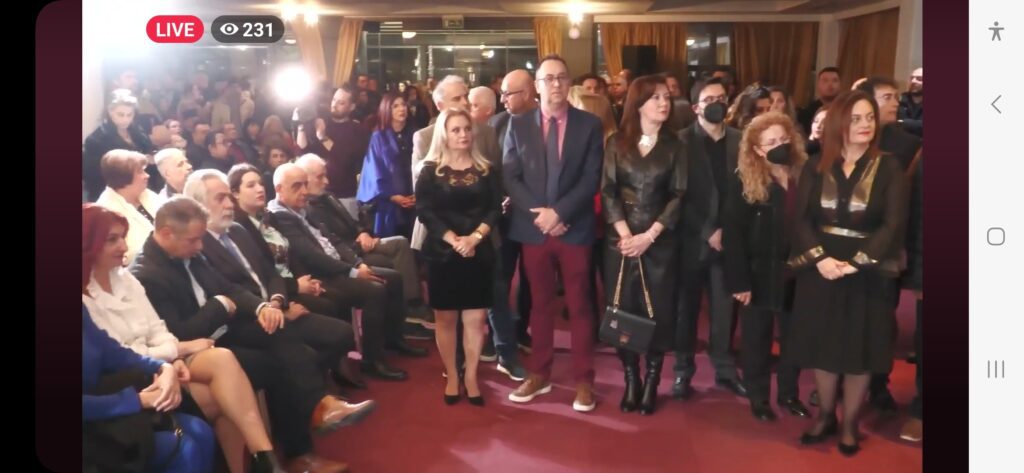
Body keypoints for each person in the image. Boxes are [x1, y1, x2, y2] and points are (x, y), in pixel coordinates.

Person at [82, 204, 277, 472]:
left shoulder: (125, 280)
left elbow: (158, 329)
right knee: (224, 397)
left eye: (122, 237)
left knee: (222, 359)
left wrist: (170, 360)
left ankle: (264, 458)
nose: (123, 246)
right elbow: (119, 355)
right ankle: (262, 462)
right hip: (127, 383)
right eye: (111, 240)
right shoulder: (87, 296)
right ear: (87, 244)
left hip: (156, 364)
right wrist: (174, 354)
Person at [785, 90, 906, 456]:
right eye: (856, 118)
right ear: (839, 123)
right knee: (823, 346)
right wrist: (820, 259)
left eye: (869, 117)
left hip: (867, 271)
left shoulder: (889, 167)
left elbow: (893, 224)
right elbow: (801, 219)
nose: (865, 124)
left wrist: (857, 262)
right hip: (821, 269)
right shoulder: (815, 165)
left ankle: (850, 423)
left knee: (860, 348)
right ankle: (825, 416)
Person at [502, 55, 605, 412]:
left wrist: (560, 213)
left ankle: (584, 380)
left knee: (580, 305)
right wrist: (542, 216)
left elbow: (591, 178)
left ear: (569, 82)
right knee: (539, 305)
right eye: (549, 78)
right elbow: (510, 176)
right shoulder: (517, 125)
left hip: (574, 228)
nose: (556, 84)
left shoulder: (589, 125)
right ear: (537, 86)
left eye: (562, 77)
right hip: (534, 231)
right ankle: (539, 373)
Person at [600, 75, 686, 415]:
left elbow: (679, 195)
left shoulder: (676, 145)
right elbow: (608, 191)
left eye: (666, 97)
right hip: (620, 241)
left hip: (659, 240)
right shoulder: (616, 142)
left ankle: (652, 379)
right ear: (638, 104)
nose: (664, 103)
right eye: (655, 98)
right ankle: (630, 378)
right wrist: (626, 236)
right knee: (623, 309)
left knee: (658, 310)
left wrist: (649, 236)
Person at [723, 112, 812, 422]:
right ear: (758, 149)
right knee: (757, 339)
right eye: (771, 142)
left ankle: (789, 394)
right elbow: (733, 235)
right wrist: (739, 281)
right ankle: (758, 397)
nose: (780, 145)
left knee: (795, 338)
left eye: (784, 139)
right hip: (758, 273)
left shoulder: (805, 174)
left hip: (798, 272)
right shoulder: (744, 180)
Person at [416, 109, 502, 406]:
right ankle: (452, 375)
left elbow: (494, 209)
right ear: (444, 134)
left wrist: (474, 238)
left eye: (466, 128)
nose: (463, 134)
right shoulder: (430, 171)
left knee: (476, 320)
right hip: (442, 252)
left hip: (479, 252)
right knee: (446, 318)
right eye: (456, 129)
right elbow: (425, 211)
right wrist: (454, 240)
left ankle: (472, 376)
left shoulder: (486, 169)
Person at [672, 78, 747, 400]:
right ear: (695, 107)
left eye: (721, 97)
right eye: (709, 99)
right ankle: (682, 371)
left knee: (724, 313)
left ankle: (725, 371)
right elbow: (678, 195)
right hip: (691, 240)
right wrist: (707, 231)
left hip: (730, 240)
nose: (717, 103)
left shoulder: (741, 141)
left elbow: (747, 190)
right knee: (686, 311)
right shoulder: (680, 142)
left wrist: (727, 230)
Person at [83, 304, 216, 473]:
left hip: (105, 415)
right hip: (91, 427)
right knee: (184, 449)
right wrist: (138, 400)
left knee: (201, 431)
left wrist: (162, 367)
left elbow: (113, 352)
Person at [357, 93, 418, 239]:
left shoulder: (416, 134)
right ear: (386, 109)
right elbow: (374, 170)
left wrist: (418, 192)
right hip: (389, 201)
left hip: (415, 198)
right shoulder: (379, 137)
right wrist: (392, 196)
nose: (401, 109)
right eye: (395, 106)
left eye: (403, 105)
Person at [95, 149, 165, 263]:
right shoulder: (106, 212)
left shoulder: (146, 193)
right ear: (124, 176)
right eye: (140, 172)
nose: (147, 175)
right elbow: (127, 254)